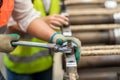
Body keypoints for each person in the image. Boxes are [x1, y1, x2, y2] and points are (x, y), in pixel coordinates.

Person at [0, 0, 81, 80]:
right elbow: (11, 26)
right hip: (19, 65)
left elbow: (26, 16)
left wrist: (56, 37)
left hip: (45, 61)